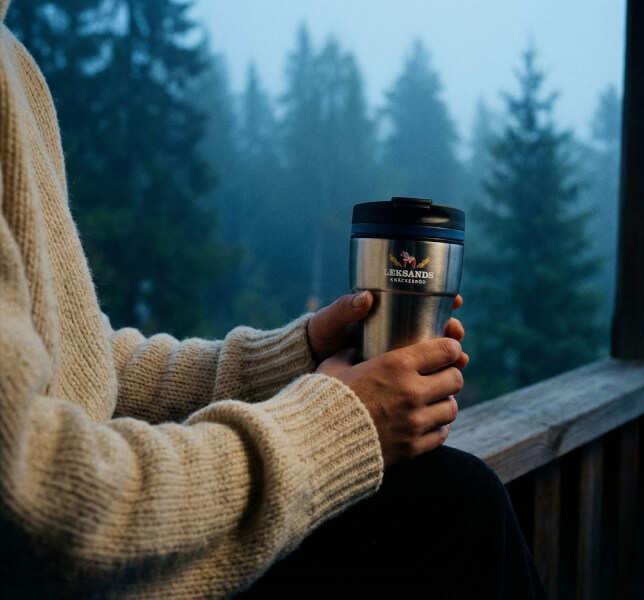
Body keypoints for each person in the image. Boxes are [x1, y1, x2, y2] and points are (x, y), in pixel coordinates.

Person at [0, 1, 544, 597]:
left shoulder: (13, 63)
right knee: (457, 511)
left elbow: (84, 368)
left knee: (454, 496)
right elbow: (37, 502)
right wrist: (336, 424)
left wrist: (297, 355)